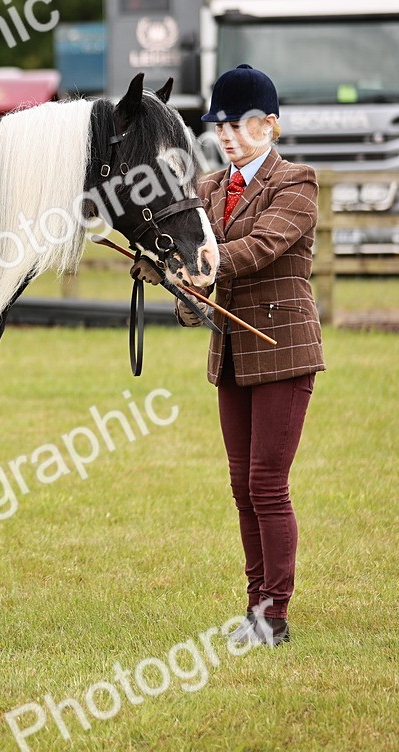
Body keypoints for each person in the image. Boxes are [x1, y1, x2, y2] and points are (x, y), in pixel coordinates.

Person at [133, 64, 325, 646]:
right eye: (220, 125)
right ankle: (254, 608)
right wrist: (165, 269)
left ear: (271, 125)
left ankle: (275, 614)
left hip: (283, 350)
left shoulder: (297, 183)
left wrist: (203, 263)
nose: (228, 135)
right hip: (233, 353)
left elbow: (263, 247)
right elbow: (186, 246)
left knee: (268, 485)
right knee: (242, 487)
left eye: (241, 124)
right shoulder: (210, 188)